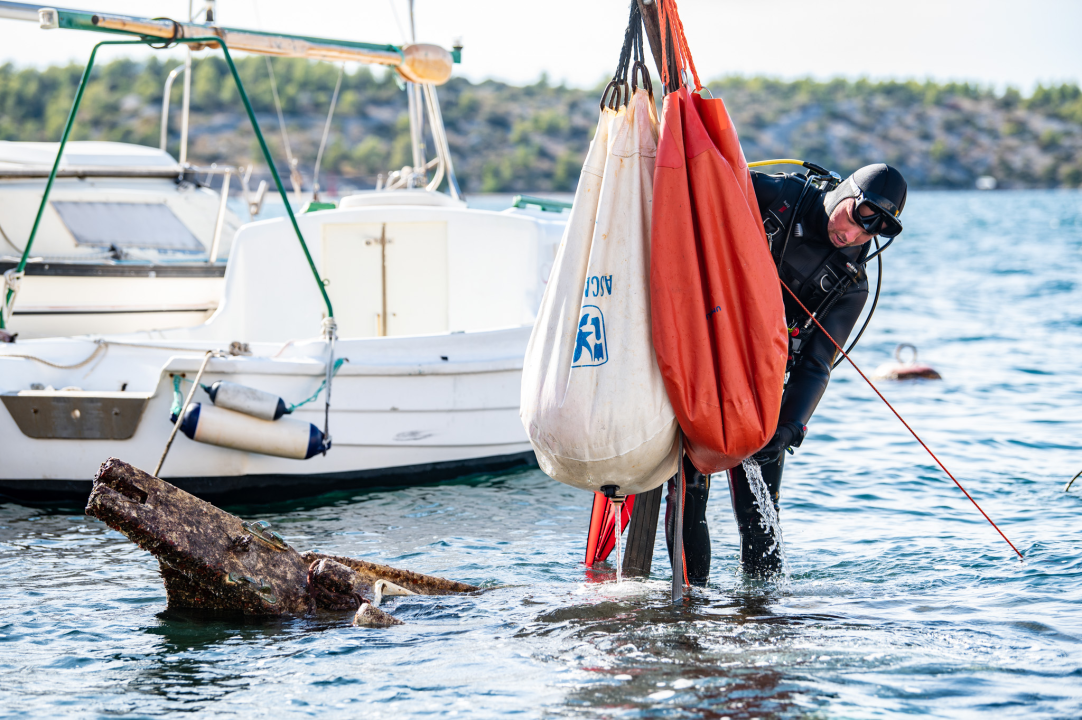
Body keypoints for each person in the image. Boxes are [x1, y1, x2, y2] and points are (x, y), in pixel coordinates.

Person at [665, 163, 908, 582]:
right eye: (853, 218)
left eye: (867, 233)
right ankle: (689, 610)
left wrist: (790, 427)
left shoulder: (851, 283)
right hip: (701, 363)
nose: (852, 235)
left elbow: (817, 363)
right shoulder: (776, 195)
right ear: (844, 192)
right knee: (690, 494)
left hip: (762, 391)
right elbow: (693, 190)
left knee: (760, 514)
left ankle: (763, 619)